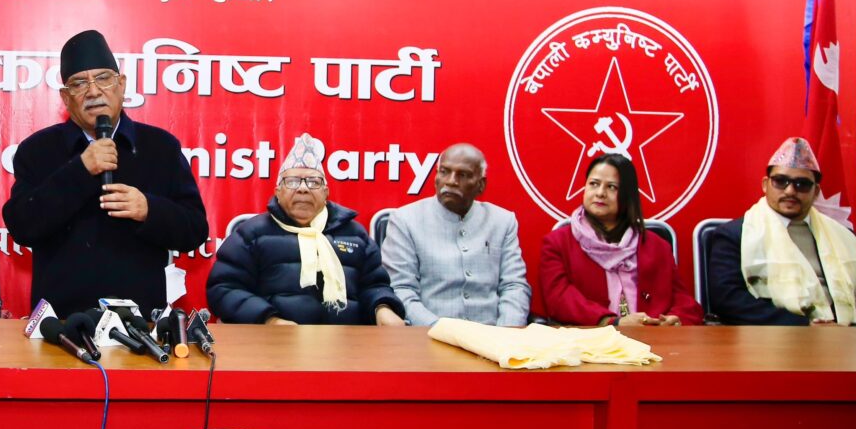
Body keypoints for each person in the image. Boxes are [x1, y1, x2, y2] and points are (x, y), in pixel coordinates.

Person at [3, 29, 208, 316]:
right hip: (62, 322)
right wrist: (80, 170)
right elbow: (22, 226)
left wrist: (149, 209)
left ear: (121, 85)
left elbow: (195, 230)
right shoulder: (38, 150)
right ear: (65, 97)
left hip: (142, 321)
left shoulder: (160, 147)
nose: (93, 91)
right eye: (79, 83)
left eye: (103, 78)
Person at [208, 134, 405, 325]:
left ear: (326, 192)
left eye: (313, 182)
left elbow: (374, 285)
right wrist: (269, 320)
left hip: (347, 341)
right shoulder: (251, 234)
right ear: (278, 192)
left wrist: (382, 308)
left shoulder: (354, 234)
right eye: (292, 182)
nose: (303, 189)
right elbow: (224, 289)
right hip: (275, 340)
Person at [705, 137, 856, 326]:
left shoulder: (843, 237)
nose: (790, 191)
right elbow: (728, 300)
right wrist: (805, 327)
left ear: (816, 191)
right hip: (778, 337)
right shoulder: (735, 236)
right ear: (765, 184)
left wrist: (851, 332)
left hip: (846, 336)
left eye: (802, 184)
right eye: (780, 181)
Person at [538, 152, 702, 326]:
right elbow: (558, 299)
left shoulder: (657, 246)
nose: (600, 193)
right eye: (594, 184)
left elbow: (684, 302)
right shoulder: (558, 243)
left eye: (611, 187)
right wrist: (612, 322)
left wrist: (675, 319)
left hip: (652, 337)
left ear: (627, 195)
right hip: (590, 338)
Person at [380, 143, 530, 327]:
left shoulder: (502, 221)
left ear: (481, 185)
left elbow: (514, 286)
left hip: (492, 334)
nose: (451, 181)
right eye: (444, 172)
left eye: (463, 175)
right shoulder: (406, 220)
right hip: (429, 334)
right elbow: (401, 289)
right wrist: (442, 331)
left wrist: (506, 332)